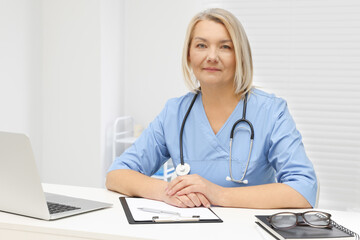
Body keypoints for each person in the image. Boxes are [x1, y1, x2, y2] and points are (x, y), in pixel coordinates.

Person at [106, 8, 317, 209]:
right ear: (189, 55)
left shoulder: (270, 111)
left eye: (225, 46)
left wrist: (218, 194)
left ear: (240, 56)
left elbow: (304, 189)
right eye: (201, 45)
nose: (212, 56)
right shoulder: (175, 113)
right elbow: (116, 174)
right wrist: (166, 192)